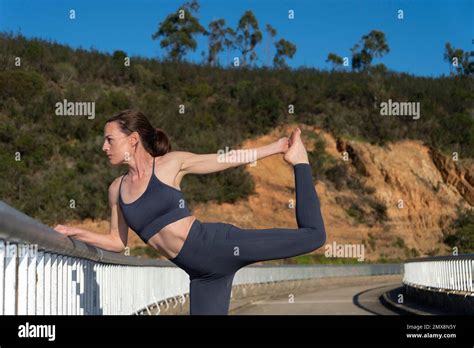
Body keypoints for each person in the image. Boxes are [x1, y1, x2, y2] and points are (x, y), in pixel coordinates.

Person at [54, 109, 327, 315]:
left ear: (133, 139)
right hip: (203, 276)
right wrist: (75, 232)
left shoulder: (170, 164)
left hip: (219, 244)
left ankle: (300, 161)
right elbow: (117, 241)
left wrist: (278, 148)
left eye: (109, 139)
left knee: (314, 237)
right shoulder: (117, 189)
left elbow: (227, 159)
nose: (104, 147)